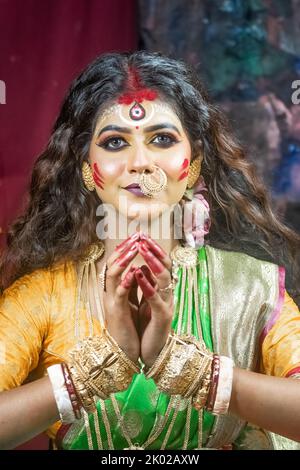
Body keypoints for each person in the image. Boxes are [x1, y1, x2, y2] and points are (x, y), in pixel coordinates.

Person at [0, 51, 300, 451]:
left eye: (161, 139)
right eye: (114, 142)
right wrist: (96, 369)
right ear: (87, 168)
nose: (140, 163)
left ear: (192, 164)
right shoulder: (44, 296)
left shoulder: (251, 289)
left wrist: (198, 373)